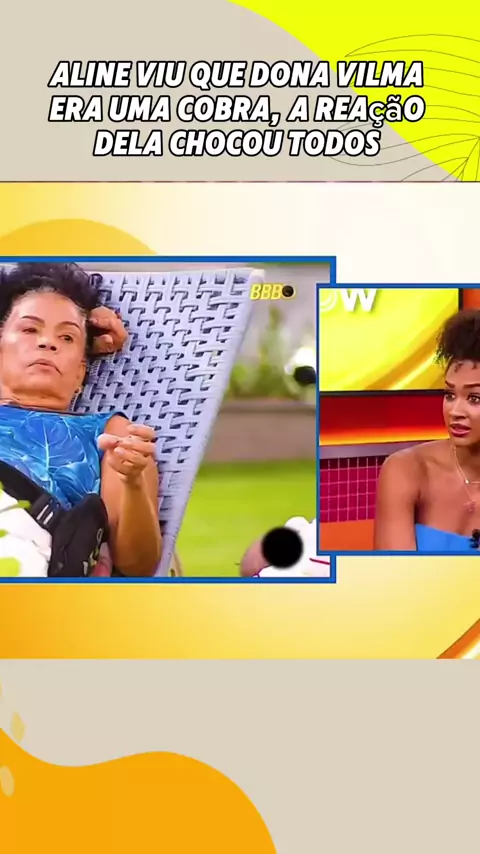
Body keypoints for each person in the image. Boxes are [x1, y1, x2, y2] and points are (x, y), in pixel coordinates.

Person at [0, 262, 161, 576]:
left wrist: (132, 483)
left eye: (67, 338)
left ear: (81, 373)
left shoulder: (110, 434)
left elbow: (138, 565)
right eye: (30, 329)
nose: (48, 343)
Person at [375, 309, 480, 552]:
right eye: (450, 394)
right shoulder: (407, 470)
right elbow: (394, 571)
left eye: (474, 398)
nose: (455, 411)